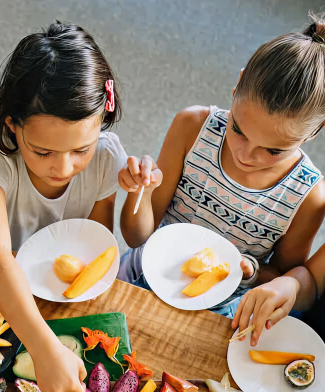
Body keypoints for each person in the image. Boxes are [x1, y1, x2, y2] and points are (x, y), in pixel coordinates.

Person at [0, 21, 128, 392]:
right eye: (43, 152)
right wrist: (45, 348)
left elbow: (95, 242)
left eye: (80, 150)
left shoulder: (107, 156)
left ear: (102, 121)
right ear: (12, 126)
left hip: (56, 295)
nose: (64, 168)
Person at [118, 14, 325, 319]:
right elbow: (137, 238)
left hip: (217, 313)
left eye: (273, 151)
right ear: (237, 84)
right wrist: (142, 193)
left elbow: (282, 276)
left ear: (314, 132)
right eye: (238, 129)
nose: (246, 155)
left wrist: (250, 272)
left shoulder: (307, 196)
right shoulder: (191, 127)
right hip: (142, 275)